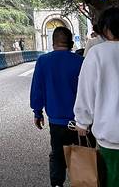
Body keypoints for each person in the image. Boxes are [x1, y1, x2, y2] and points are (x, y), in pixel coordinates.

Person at [30, 26, 83, 187]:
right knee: (81, 154)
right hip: (80, 121)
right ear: (71, 43)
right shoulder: (80, 61)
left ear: (53, 43)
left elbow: (37, 88)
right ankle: (83, 181)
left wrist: (37, 112)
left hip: (56, 121)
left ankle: (57, 184)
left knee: (57, 155)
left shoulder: (43, 61)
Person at [74, 7, 119, 186]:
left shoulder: (97, 53)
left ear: (106, 28)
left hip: (110, 138)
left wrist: (82, 122)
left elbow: (86, 90)